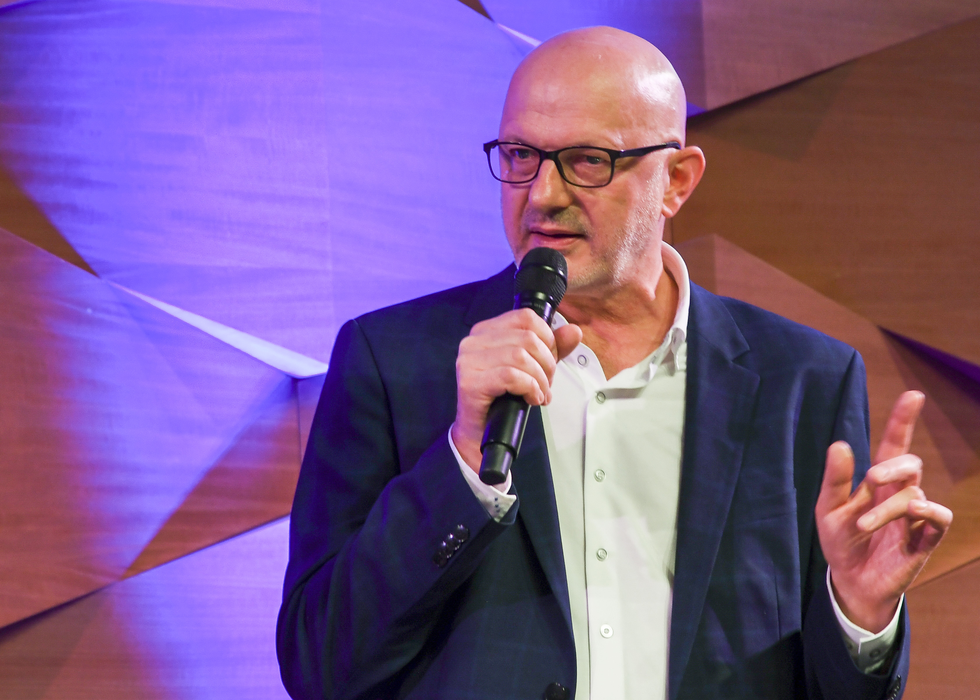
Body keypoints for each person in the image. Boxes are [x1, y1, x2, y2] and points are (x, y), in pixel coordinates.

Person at [277, 26, 951, 700]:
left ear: (676, 181)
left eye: (587, 160)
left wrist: (862, 616)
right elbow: (318, 665)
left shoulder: (804, 381)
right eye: (520, 155)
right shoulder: (393, 361)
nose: (542, 194)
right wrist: (462, 464)